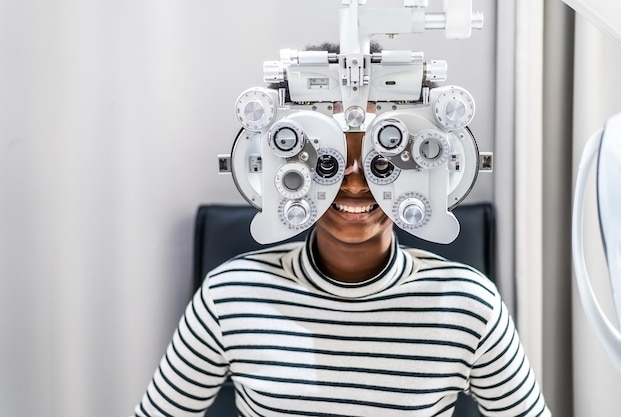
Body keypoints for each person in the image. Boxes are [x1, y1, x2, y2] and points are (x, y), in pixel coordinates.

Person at [132, 43, 551, 417]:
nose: (354, 182)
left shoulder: (468, 303)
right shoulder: (229, 296)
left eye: (381, 162)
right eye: (327, 162)